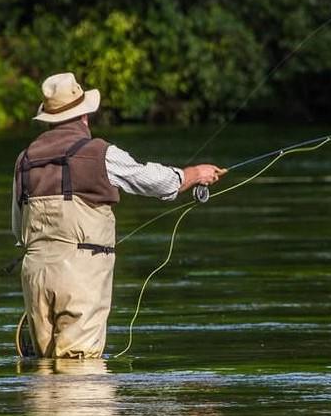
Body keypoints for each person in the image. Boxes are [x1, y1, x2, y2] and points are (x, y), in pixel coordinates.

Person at [11, 72, 224, 358]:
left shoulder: (25, 160)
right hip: (80, 276)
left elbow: (17, 228)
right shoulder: (99, 153)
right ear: (84, 116)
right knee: (80, 368)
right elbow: (153, 181)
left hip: (34, 274)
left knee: (45, 371)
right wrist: (193, 174)